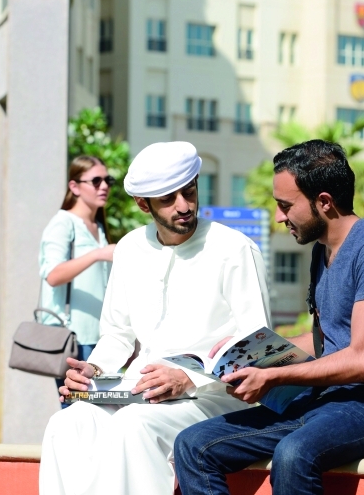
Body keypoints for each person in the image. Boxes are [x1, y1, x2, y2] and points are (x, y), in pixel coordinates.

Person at [174, 139, 364, 495]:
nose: (279, 216)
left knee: (294, 454)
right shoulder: (322, 251)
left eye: (285, 205)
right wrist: (243, 354)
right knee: (193, 445)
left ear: (324, 202)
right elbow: (326, 341)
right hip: (326, 402)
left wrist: (273, 375)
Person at [39, 141, 272, 495]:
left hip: (212, 399)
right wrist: (94, 372)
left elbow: (258, 346)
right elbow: (118, 335)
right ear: (143, 204)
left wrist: (188, 378)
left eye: (189, 192)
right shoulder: (131, 249)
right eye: (168, 199)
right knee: (67, 424)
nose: (184, 206)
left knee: (134, 425)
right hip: (138, 391)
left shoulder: (234, 249)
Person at [39, 155, 116, 404]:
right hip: (73, 339)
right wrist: (97, 254)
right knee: (77, 411)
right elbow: (53, 275)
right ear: (74, 187)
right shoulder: (63, 223)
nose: (104, 186)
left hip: (98, 338)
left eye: (107, 180)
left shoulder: (98, 227)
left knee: (94, 412)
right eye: (96, 181)